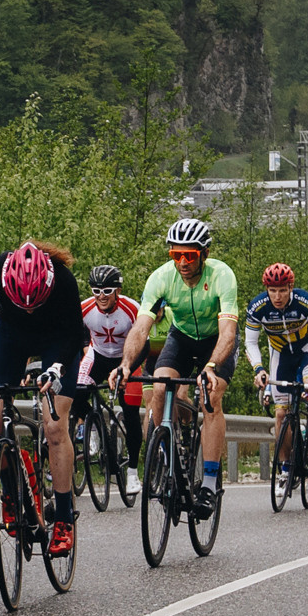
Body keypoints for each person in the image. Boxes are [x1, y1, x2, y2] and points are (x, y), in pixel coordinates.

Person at [0, 240, 88, 556]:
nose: (28, 308)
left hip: (57, 342)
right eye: (21, 302)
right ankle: (13, 491)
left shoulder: (63, 279)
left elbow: (73, 335)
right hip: (11, 338)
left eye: (34, 302)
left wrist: (56, 368)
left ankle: (64, 519)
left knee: (55, 427)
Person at [114, 217, 239, 515]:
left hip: (215, 340)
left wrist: (210, 366)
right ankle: (164, 458)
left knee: (211, 399)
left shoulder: (222, 275)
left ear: (204, 254)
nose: (182, 262)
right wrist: (125, 365)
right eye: (175, 255)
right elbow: (141, 328)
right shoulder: (160, 278)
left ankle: (209, 483)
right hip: (181, 338)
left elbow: (228, 333)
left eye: (190, 255)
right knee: (159, 388)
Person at [244, 263, 308, 479]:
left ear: (291, 287)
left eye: (283, 290)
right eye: (272, 290)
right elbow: (251, 342)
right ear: (266, 289)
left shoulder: (305, 302)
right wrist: (259, 369)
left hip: (306, 349)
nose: (277, 296)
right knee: (281, 414)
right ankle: (285, 469)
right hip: (280, 353)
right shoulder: (257, 307)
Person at [76, 264, 144, 493]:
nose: (101, 297)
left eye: (107, 291)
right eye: (96, 291)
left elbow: (144, 343)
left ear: (118, 290)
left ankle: (133, 472)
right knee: (75, 393)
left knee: (132, 410)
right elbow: (75, 334)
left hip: (127, 359)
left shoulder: (132, 308)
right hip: (98, 357)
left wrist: (129, 368)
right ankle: (93, 426)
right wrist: (84, 347)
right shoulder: (84, 308)